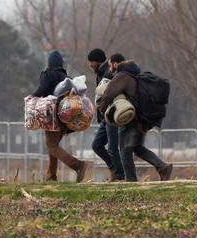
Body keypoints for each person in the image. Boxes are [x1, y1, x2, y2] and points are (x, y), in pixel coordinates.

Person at [96, 55, 173, 182]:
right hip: (142, 119)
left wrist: (101, 107)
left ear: (115, 64)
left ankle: (131, 181)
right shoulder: (135, 74)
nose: (109, 68)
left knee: (125, 150)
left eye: (110, 65)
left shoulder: (122, 76)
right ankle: (163, 167)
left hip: (131, 120)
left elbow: (108, 94)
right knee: (137, 148)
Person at [31, 50, 88, 182]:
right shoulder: (65, 76)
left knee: (52, 146)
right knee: (53, 145)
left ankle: (78, 165)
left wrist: (31, 97)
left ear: (49, 63)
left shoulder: (48, 74)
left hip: (51, 117)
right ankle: (51, 176)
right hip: (64, 119)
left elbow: (42, 90)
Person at [87, 48, 124, 182]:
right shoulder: (100, 72)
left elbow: (106, 95)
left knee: (113, 148)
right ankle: (114, 169)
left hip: (111, 115)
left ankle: (120, 175)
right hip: (105, 117)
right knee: (97, 145)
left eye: (91, 62)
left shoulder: (107, 73)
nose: (90, 65)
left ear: (97, 61)